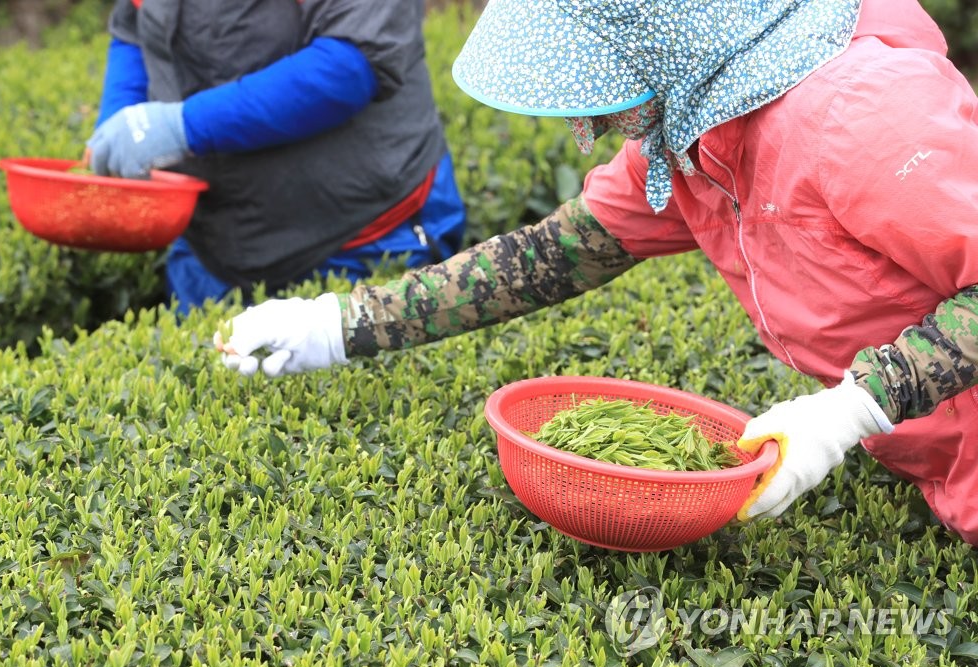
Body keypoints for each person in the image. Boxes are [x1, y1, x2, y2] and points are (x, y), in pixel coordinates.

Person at [213, 0, 978, 544]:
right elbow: (552, 256)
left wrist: (854, 407)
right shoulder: (696, 124)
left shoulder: (856, 113)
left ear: (662, 34)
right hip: (942, 475)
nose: (584, 132)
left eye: (597, 82)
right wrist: (337, 327)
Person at [86, 0, 467, 313]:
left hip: (359, 237)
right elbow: (134, 23)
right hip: (212, 244)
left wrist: (183, 125)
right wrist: (122, 120)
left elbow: (350, 62)